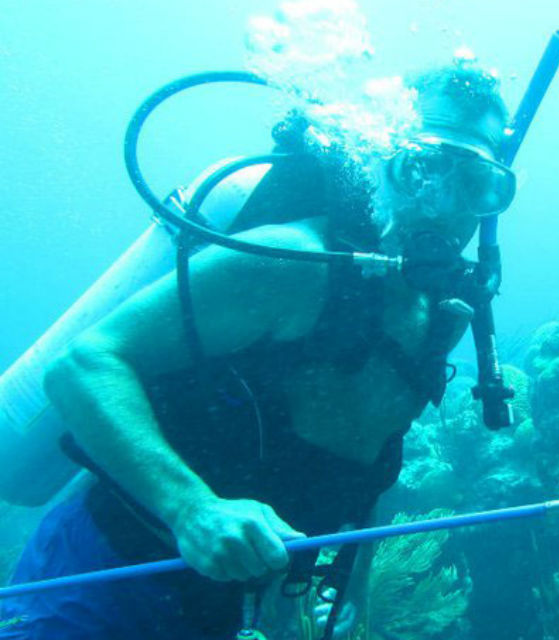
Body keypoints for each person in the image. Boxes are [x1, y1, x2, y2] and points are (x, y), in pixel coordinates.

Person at [0, 60, 516, 639]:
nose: (442, 204)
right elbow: (83, 366)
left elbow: (370, 454)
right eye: (425, 168)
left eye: (476, 184)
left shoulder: (440, 315)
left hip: (232, 611)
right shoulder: (289, 261)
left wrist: (353, 578)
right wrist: (191, 508)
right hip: (102, 578)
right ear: (383, 161)